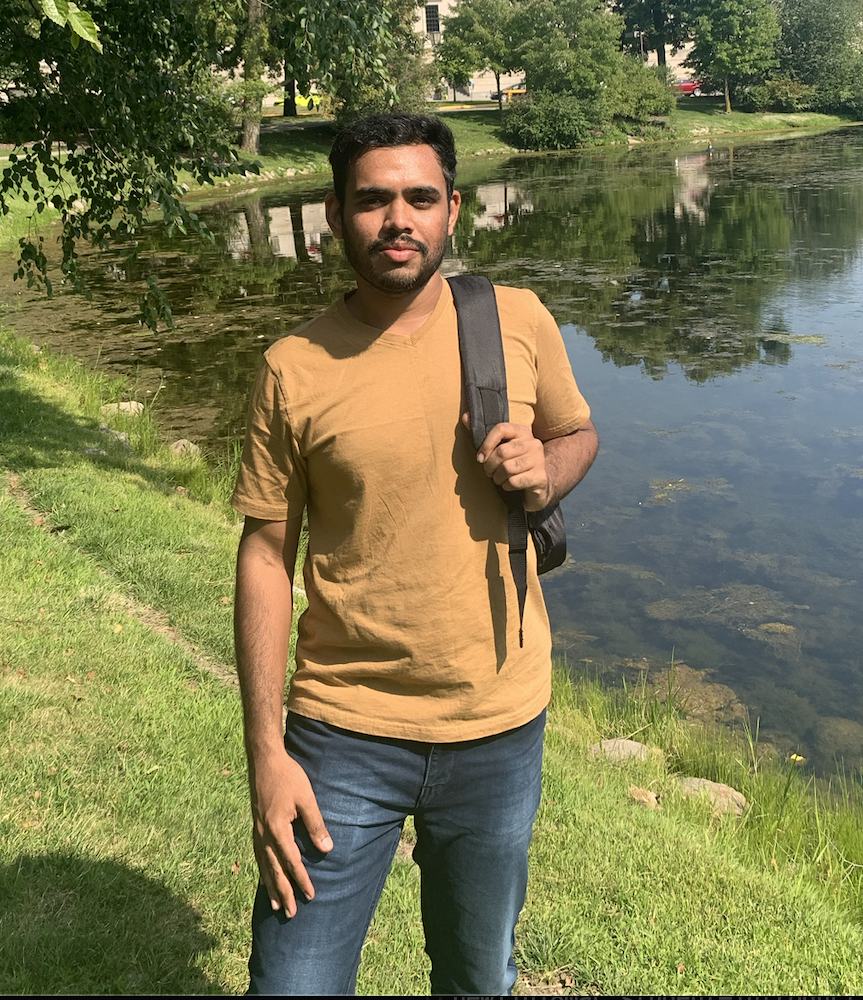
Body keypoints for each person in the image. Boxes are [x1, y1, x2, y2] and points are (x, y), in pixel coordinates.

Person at [232, 111, 598, 996]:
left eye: (419, 198)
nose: (399, 219)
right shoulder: (294, 366)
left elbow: (579, 434)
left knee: (478, 979)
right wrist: (267, 756)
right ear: (335, 216)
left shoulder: (517, 320)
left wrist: (542, 472)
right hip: (340, 732)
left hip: (498, 725)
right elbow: (265, 557)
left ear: (452, 210)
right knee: (294, 983)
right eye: (374, 200)